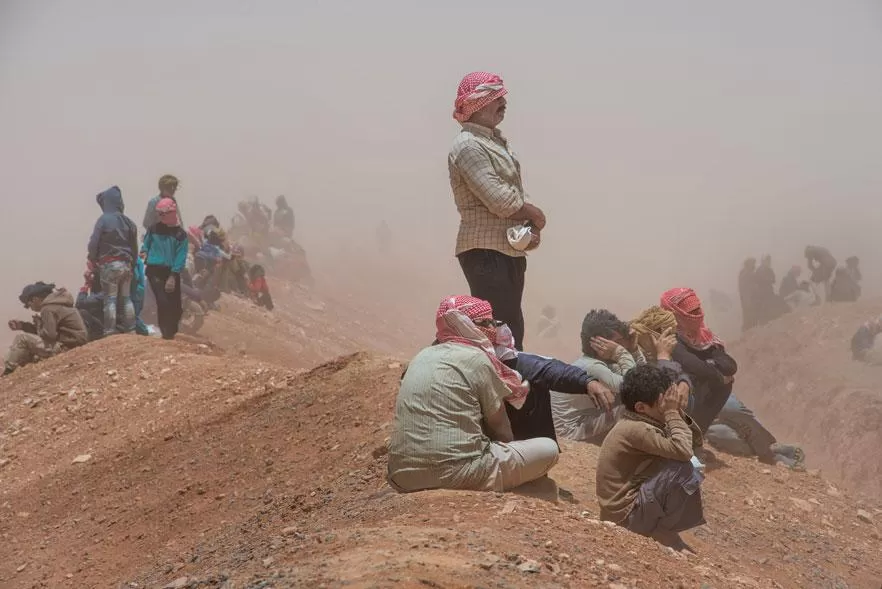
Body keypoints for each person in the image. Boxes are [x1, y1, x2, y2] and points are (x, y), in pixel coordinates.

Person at [388, 295, 559, 492]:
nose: (492, 329)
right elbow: (500, 428)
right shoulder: (477, 359)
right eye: (485, 323)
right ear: (466, 325)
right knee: (549, 448)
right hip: (460, 475)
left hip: (402, 478)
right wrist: (510, 453)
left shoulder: (420, 356)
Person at [449, 71, 547, 351]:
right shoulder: (468, 145)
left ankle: (509, 390)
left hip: (505, 250)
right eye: (494, 97)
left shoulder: (493, 142)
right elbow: (500, 201)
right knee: (501, 333)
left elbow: (511, 195)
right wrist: (536, 216)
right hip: (485, 251)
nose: (503, 102)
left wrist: (530, 226)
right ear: (476, 104)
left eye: (502, 96)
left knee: (511, 330)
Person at [595, 364, 705, 551]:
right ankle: (661, 531)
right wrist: (671, 413)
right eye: (665, 401)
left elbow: (694, 442)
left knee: (689, 464)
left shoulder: (643, 419)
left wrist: (675, 412)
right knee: (684, 468)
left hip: (628, 510)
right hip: (626, 517)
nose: (670, 404)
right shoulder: (636, 429)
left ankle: (663, 530)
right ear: (641, 407)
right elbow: (684, 451)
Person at [551, 309, 681, 444]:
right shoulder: (592, 367)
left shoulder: (600, 364)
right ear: (599, 344)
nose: (622, 344)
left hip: (584, 419)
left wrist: (634, 350)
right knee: (638, 406)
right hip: (572, 431)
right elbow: (636, 387)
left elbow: (642, 377)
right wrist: (621, 353)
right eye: (618, 341)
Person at [490, 322, 613, 443]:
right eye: (484, 322)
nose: (493, 326)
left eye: (492, 322)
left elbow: (546, 368)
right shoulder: (480, 366)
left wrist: (586, 381)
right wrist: (621, 354)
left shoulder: (509, 360)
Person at [661, 288, 736, 433]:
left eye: (697, 310)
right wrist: (716, 373)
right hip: (679, 395)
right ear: (674, 314)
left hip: (703, 390)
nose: (697, 316)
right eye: (691, 312)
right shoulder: (668, 338)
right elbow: (692, 364)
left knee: (742, 414)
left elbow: (730, 366)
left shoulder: (704, 337)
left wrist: (709, 367)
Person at [4, 282, 88, 376]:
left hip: (67, 346)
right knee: (25, 352)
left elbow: (49, 335)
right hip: (74, 342)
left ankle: (8, 372)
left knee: (21, 338)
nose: (30, 308)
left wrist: (39, 325)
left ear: (35, 299)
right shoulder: (58, 303)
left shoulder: (47, 309)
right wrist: (23, 326)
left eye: (29, 305)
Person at [87, 186, 138, 336]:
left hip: (109, 265)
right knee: (127, 299)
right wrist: (132, 263)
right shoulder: (129, 222)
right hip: (127, 265)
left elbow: (93, 243)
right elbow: (134, 247)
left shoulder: (103, 220)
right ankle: (131, 330)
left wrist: (93, 258)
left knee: (110, 299)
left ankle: (110, 331)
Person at [705, 395, 805, 469]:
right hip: (698, 418)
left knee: (733, 410)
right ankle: (773, 450)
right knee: (725, 436)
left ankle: (769, 454)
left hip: (712, 393)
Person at [141, 198, 188, 340]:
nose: (161, 217)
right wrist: (144, 251)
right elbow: (146, 244)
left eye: (164, 214)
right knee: (163, 302)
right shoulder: (153, 229)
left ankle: (172, 332)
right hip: (154, 270)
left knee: (176, 306)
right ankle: (166, 334)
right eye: (159, 214)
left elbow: (181, 256)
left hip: (171, 272)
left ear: (172, 212)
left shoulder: (180, 234)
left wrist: (173, 275)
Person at [754, 255, 788, 325]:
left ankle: (773, 318)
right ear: (763, 261)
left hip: (768, 291)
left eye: (769, 261)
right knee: (764, 306)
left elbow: (773, 279)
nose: (769, 262)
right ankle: (763, 322)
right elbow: (757, 280)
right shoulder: (759, 270)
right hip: (762, 292)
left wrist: (768, 280)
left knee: (773, 303)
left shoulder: (769, 270)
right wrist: (766, 280)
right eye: (767, 261)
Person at [738, 258, 758, 331]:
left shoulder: (746, 273)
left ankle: (749, 328)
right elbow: (746, 288)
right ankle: (747, 329)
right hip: (748, 298)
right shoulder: (746, 273)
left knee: (749, 314)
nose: (754, 266)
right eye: (753, 264)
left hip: (749, 297)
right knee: (748, 314)